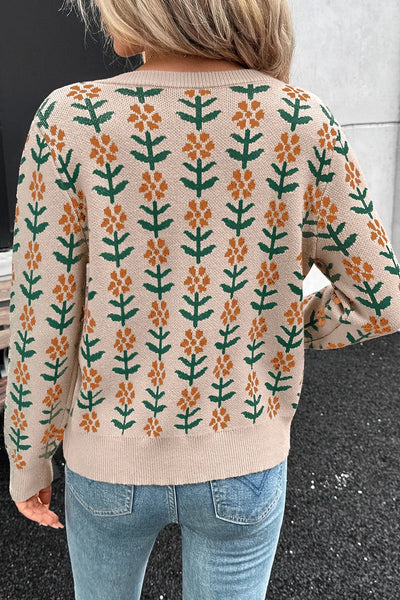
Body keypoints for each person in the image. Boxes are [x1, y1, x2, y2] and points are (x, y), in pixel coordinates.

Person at [4, 1, 400, 599]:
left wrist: (28, 457)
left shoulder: (72, 120)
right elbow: (379, 298)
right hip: (245, 458)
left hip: (109, 460)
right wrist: (282, 328)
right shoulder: (300, 120)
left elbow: (43, 317)